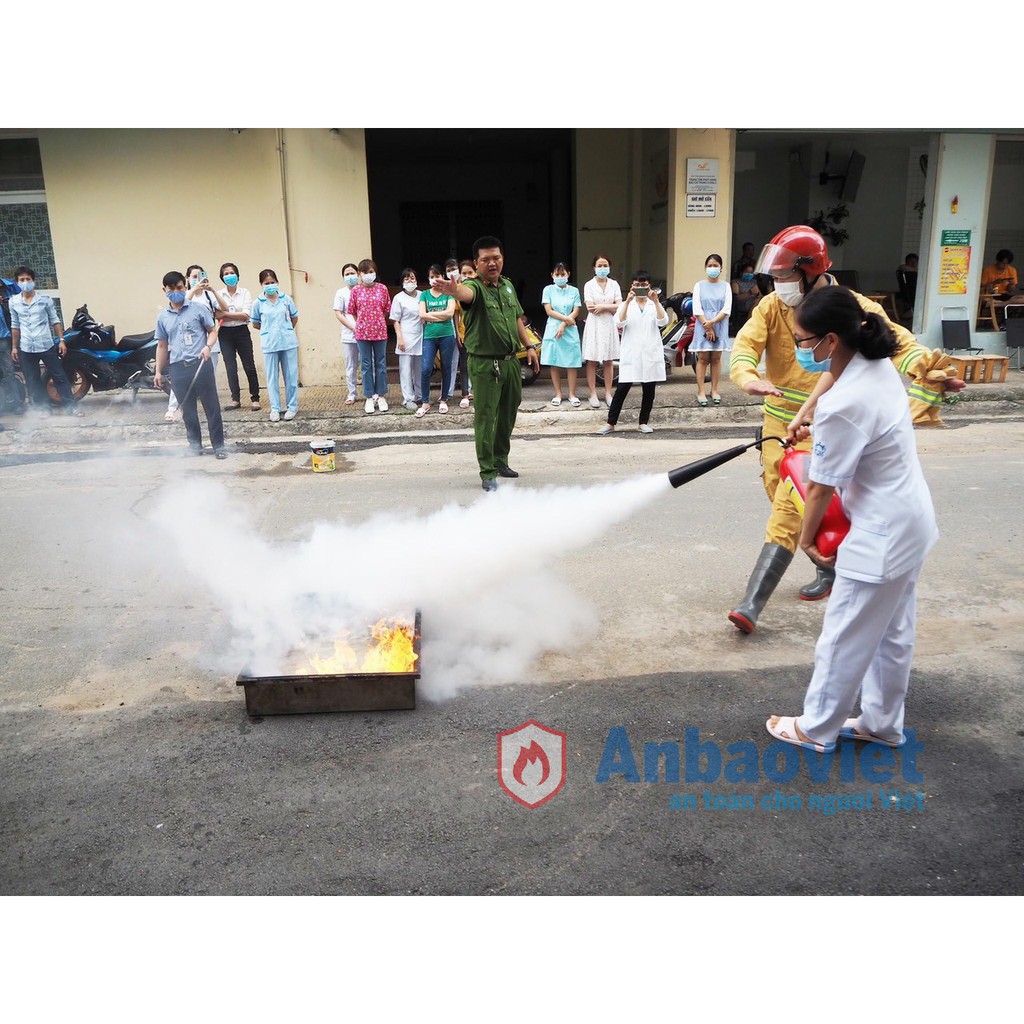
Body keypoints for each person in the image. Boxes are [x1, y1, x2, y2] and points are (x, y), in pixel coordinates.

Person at [726, 224, 962, 633]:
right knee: (784, 497)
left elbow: (899, 342)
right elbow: (745, 346)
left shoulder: (851, 306)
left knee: (791, 507)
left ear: (810, 270)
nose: (778, 285)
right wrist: (748, 378)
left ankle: (751, 605)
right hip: (780, 422)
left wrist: (929, 368)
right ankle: (830, 560)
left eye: (784, 276)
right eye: (776, 277)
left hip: (826, 426)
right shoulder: (770, 307)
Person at [765, 286, 938, 753]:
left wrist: (806, 541)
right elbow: (831, 383)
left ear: (830, 342)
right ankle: (882, 724)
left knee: (842, 635)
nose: (801, 349)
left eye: (803, 341)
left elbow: (819, 488)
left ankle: (816, 728)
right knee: (893, 632)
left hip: (879, 533)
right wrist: (805, 411)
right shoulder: (874, 364)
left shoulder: (846, 405)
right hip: (912, 522)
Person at [435, 235, 540, 491]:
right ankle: (487, 472)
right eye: (486, 259)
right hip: (485, 365)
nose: (492, 263)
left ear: (502, 258)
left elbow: (517, 318)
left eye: (496, 258)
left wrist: (528, 346)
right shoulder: (475, 287)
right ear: (476, 262)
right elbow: (465, 293)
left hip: (510, 362)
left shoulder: (507, 286)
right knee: (485, 416)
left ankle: (500, 460)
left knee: (507, 414)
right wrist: (454, 290)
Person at [153, 270, 226, 457]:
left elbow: (212, 330)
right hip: (177, 367)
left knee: (212, 407)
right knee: (188, 409)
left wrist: (208, 346)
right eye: (171, 289)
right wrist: (159, 372)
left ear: (185, 287)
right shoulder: (163, 317)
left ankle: (219, 446)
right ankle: (195, 445)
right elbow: (162, 345)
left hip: (200, 363)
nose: (176, 291)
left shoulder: (198, 309)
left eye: (179, 288)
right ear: (164, 290)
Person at [597, 270, 667, 435]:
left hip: (650, 352)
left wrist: (656, 302)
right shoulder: (625, 305)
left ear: (649, 286)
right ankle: (610, 423)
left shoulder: (654, 304)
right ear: (632, 287)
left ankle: (643, 422)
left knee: (649, 390)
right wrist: (627, 302)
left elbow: (663, 321)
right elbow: (619, 323)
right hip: (632, 353)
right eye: (637, 285)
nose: (640, 287)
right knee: (622, 389)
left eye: (644, 285)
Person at [9, 266, 81, 417]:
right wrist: (14, 347)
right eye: (22, 280)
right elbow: (15, 326)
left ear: (33, 281)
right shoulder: (14, 302)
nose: (25, 282)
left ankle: (71, 406)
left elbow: (55, 321)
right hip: (26, 347)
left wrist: (61, 340)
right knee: (33, 380)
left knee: (59, 376)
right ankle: (43, 408)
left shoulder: (45, 300)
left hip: (46, 345)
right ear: (17, 282)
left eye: (28, 279)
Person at [165, 265, 225, 421]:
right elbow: (182, 304)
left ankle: (209, 413)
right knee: (180, 380)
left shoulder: (207, 296)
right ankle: (173, 407)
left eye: (200, 276)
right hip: (188, 349)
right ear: (187, 280)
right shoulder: (186, 295)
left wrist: (213, 291)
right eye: (194, 277)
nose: (197, 279)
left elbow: (224, 309)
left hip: (209, 345)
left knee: (207, 382)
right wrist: (194, 288)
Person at [250, 269, 300, 422]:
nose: (270, 285)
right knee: (272, 378)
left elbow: (294, 318)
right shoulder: (258, 303)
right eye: (267, 283)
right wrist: (270, 331)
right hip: (270, 344)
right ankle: (275, 408)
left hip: (288, 342)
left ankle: (292, 407)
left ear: (277, 283)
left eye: (273, 282)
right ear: (261, 285)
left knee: (291, 376)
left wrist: (285, 330)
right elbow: (256, 323)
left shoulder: (286, 300)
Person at [348, 258, 391, 413]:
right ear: (360, 274)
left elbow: (386, 309)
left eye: (371, 272)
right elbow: (352, 311)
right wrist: (362, 323)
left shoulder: (382, 289)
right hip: (362, 334)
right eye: (365, 272)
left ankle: (380, 395)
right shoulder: (356, 290)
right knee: (366, 365)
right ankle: (368, 396)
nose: (368, 275)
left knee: (380, 364)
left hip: (380, 332)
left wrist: (376, 321)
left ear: (375, 272)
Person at [216, 262, 260, 412]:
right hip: (225, 333)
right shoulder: (219, 294)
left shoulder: (245, 292)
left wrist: (226, 314)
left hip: (242, 332)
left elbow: (246, 315)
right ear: (222, 277)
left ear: (238, 275)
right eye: (226, 273)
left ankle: (255, 398)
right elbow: (217, 316)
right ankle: (235, 399)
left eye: (232, 272)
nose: (229, 276)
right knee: (230, 367)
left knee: (249, 365)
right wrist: (234, 315)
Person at [691, 253, 732, 407]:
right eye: (710, 265)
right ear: (705, 267)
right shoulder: (699, 285)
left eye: (716, 265)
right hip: (702, 325)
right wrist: (707, 326)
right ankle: (701, 390)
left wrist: (712, 323)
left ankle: (714, 390)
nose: (713, 268)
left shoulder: (726, 286)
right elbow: (697, 308)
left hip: (720, 325)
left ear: (721, 268)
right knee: (702, 358)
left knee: (716, 358)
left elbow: (727, 308)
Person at [416, 264, 457, 418]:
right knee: (426, 368)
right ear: (428, 278)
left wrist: (431, 315)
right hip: (429, 336)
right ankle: (425, 402)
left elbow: (450, 313)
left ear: (443, 277)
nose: (435, 279)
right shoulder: (425, 294)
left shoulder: (448, 293)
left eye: (437, 276)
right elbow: (422, 315)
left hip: (447, 335)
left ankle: (444, 399)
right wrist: (441, 315)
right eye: (432, 277)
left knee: (446, 367)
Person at [582, 255, 622, 409]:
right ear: (594, 267)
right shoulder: (589, 285)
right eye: (599, 265)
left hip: (609, 324)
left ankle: (608, 393)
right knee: (592, 360)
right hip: (594, 325)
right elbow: (591, 307)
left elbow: (620, 304)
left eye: (605, 265)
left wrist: (604, 307)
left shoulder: (614, 284)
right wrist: (610, 306)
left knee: (609, 360)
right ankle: (592, 393)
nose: (602, 268)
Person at [541, 262, 583, 407]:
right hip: (554, 327)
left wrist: (565, 324)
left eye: (563, 274)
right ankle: (558, 393)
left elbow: (576, 310)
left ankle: (572, 394)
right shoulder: (548, 290)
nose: (560, 277)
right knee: (555, 361)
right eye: (557, 274)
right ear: (552, 275)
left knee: (572, 362)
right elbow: (549, 310)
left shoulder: (574, 291)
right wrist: (565, 319)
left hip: (570, 328)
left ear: (568, 274)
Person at [389, 268, 423, 410]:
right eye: (406, 279)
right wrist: (400, 338)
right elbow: (395, 320)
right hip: (405, 337)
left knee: (419, 369)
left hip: (420, 335)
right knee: (405, 369)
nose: (410, 281)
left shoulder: (422, 295)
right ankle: (408, 398)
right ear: (402, 281)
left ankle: (420, 396)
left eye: (412, 278)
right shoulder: (398, 298)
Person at [333, 263, 360, 406]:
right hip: (348, 336)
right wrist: (355, 328)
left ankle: (372, 393)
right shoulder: (341, 293)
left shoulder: (364, 290)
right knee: (351, 366)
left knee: (369, 365)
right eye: (347, 274)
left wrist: (362, 329)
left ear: (358, 274)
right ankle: (352, 393)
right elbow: (339, 313)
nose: (350, 276)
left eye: (352, 273)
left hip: (366, 335)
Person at [454, 258, 476, 408]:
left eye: (470, 272)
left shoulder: (481, 289)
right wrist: (457, 333)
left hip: (479, 334)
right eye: (464, 273)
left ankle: (478, 392)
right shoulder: (458, 290)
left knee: (479, 365)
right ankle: (465, 394)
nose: (467, 275)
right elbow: (456, 314)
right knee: (464, 364)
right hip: (464, 333)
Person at [730, 259, 761, 327]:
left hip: (754, 305)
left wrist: (757, 294)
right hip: (742, 306)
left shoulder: (753, 282)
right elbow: (736, 299)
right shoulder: (736, 282)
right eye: (747, 272)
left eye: (751, 272)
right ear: (741, 272)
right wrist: (749, 293)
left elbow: (759, 296)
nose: (749, 274)